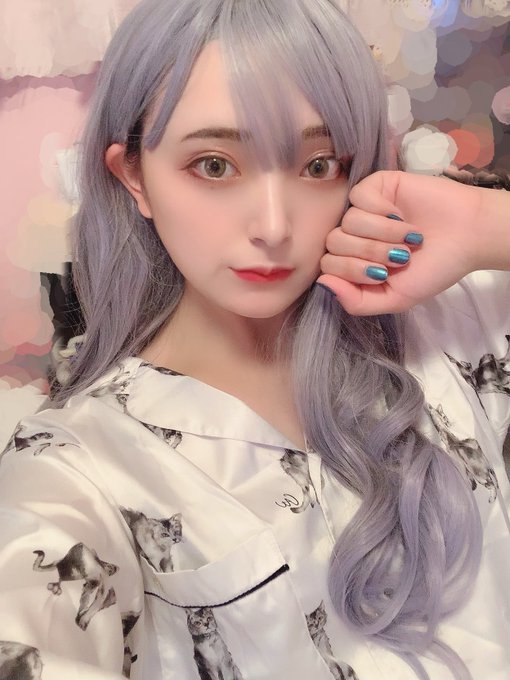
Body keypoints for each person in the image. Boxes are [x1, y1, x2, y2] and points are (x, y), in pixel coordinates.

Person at [0, 1, 509, 679]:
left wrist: (489, 224)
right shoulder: (79, 471)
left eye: (319, 165)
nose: (273, 226)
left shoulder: (456, 325)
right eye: (215, 165)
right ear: (133, 176)